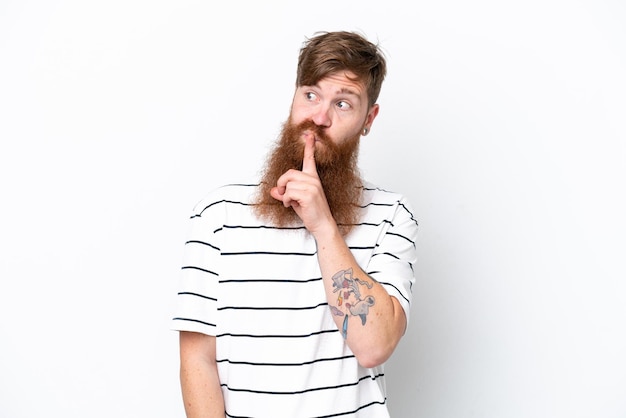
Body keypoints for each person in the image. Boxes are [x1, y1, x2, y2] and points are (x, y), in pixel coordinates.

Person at [172, 30, 419, 418]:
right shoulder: (218, 215)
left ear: (368, 119)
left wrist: (323, 225)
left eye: (342, 103)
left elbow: (373, 347)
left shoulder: (391, 215)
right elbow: (198, 359)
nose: (319, 117)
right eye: (310, 95)